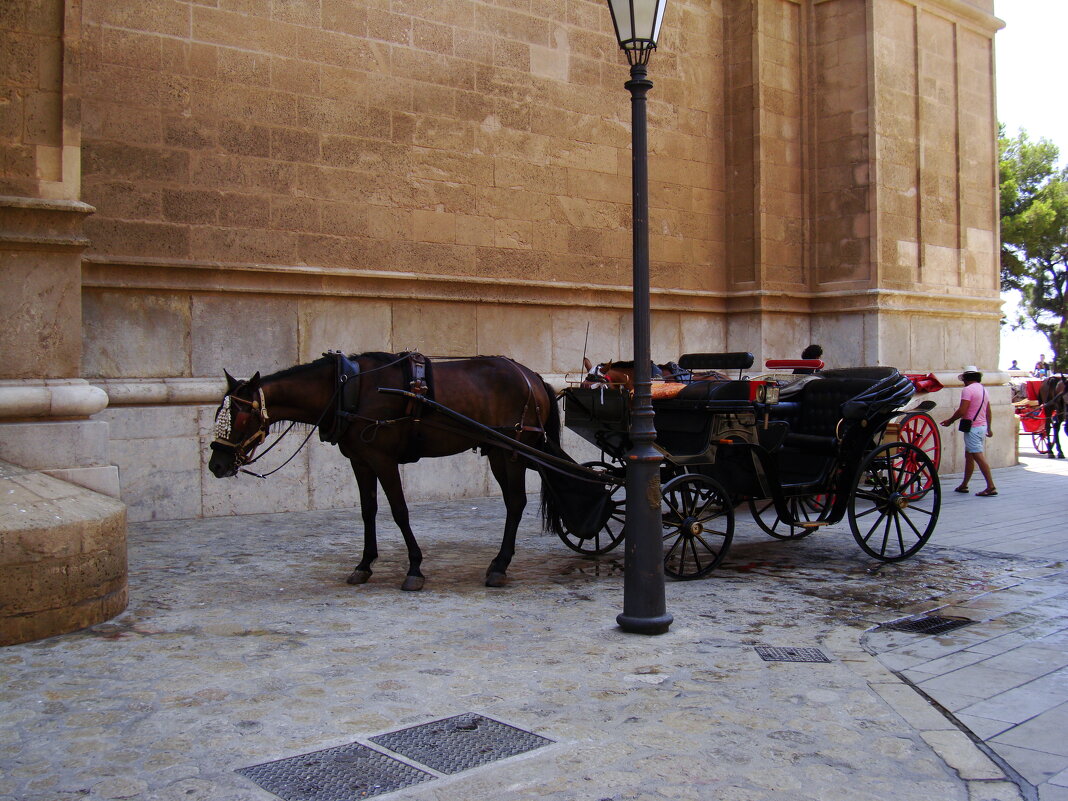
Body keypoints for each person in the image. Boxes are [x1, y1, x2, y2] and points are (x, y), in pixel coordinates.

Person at [940, 366, 996, 496]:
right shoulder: (983, 390)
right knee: (969, 456)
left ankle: (991, 486)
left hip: (972, 427)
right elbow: (988, 410)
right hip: (981, 427)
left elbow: (962, 410)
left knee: (977, 456)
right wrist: (989, 427)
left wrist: (950, 420)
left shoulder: (967, 390)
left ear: (966, 378)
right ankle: (964, 484)